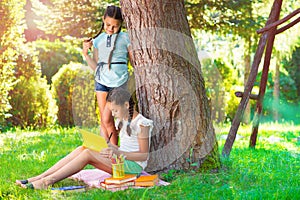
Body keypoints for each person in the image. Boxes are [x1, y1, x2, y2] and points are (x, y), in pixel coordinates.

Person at [16, 88, 153, 190]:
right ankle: (39, 177)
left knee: (87, 154)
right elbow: (124, 148)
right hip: (121, 160)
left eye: (115, 111)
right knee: (84, 147)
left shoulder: (142, 123)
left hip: (133, 167)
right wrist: (110, 147)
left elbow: (143, 155)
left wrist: (117, 152)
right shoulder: (122, 120)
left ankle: (47, 182)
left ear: (126, 105)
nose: (113, 114)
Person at [83, 5, 131, 145]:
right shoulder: (98, 40)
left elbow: (133, 61)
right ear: (103, 20)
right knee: (105, 121)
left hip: (119, 82)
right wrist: (86, 55)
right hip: (101, 82)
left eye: (115, 26)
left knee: (107, 119)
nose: (110, 29)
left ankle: (115, 155)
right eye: (108, 24)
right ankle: (109, 154)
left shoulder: (125, 37)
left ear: (121, 24)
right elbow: (96, 66)